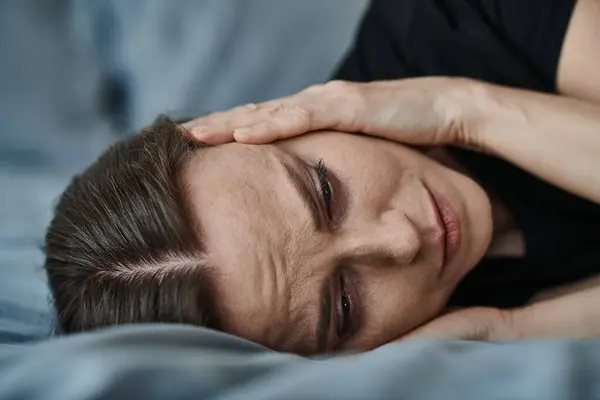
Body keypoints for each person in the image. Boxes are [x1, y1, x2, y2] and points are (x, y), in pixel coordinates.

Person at [44, 0, 600, 354]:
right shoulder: (449, 332)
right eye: (343, 306)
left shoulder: (464, 15)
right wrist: (507, 330)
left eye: (326, 192)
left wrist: (464, 109)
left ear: (260, 123)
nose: (401, 240)